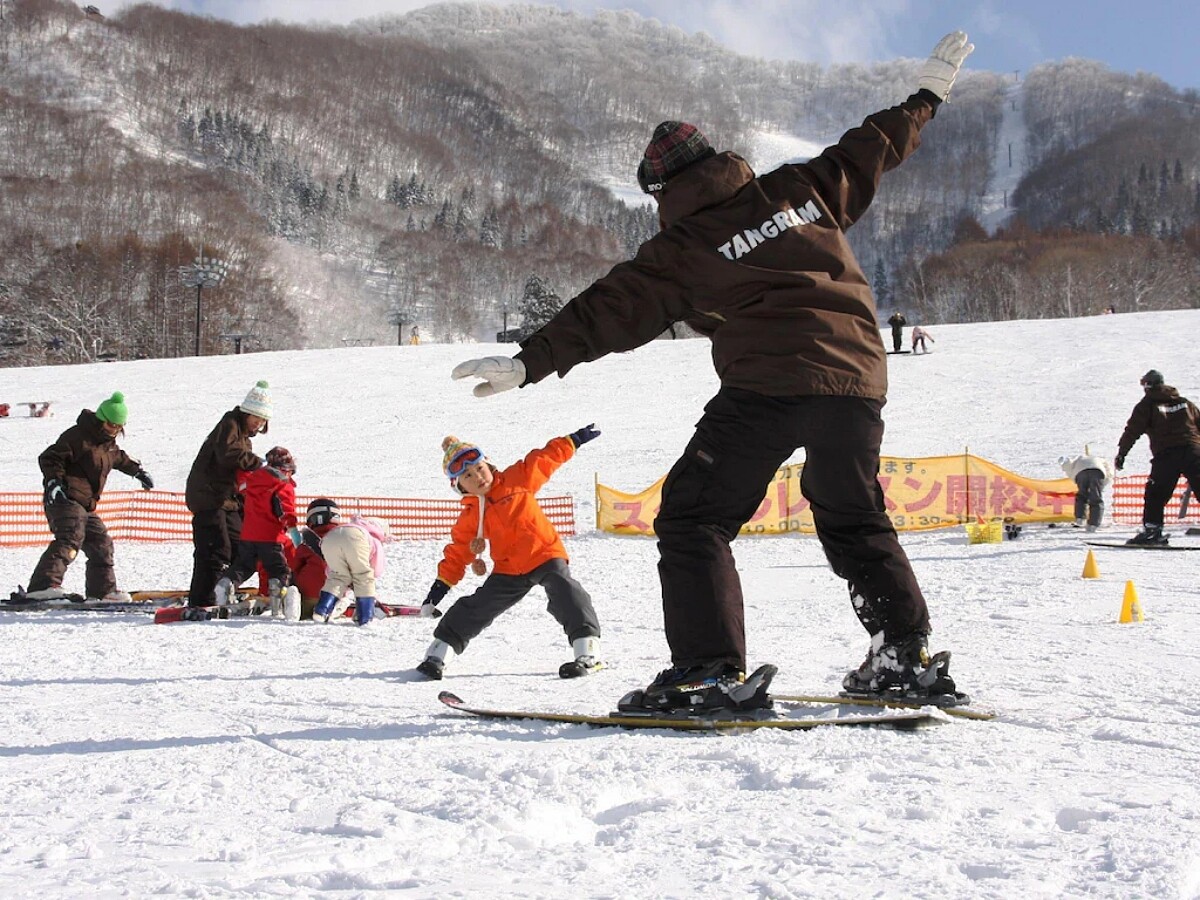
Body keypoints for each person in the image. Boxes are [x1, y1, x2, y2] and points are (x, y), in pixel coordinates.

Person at [449, 32, 975, 714]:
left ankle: (707, 673)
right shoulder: (801, 189)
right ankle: (904, 656)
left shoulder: (682, 247)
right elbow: (874, 144)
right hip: (858, 381)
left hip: (768, 385)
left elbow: (610, 310)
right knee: (853, 515)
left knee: (695, 517)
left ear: (662, 190)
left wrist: (527, 362)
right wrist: (928, 93)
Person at [415, 429, 604, 680]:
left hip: (544, 554)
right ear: (459, 486)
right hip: (508, 569)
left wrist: (572, 441)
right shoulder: (471, 516)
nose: (478, 477)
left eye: (479, 468)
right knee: (476, 607)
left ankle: (587, 652)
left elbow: (543, 460)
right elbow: (458, 553)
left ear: (488, 464)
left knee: (566, 592)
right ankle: (438, 654)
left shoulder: (517, 479)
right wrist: (440, 587)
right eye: (468, 476)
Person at [24, 392, 154, 601]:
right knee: (70, 537)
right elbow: (50, 458)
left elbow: (119, 458)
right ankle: (43, 586)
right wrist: (53, 482)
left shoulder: (108, 445)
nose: (115, 430)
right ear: (101, 419)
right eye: (111, 425)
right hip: (64, 498)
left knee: (101, 543)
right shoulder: (78, 436)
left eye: (119, 427)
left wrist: (137, 471)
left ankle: (102, 591)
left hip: (85, 504)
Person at [185, 380, 269, 607]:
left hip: (228, 500)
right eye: (256, 419)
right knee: (215, 548)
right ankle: (203, 598)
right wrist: (258, 464)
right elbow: (228, 453)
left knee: (243, 547)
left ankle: (221, 588)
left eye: (262, 421)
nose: (258, 425)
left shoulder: (244, 439)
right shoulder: (230, 424)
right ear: (246, 413)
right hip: (208, 496)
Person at [1114, 369, 1200, 545]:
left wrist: (1122, 453)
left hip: (1167, 455)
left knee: (1156, 494)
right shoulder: (1185, 403)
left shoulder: (1147, 405)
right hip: (1194, 451)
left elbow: (1132, 431)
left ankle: (1153, 532)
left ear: (1147, 385)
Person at [213, 446, 300, 616]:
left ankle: (226, 583)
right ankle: (279, 601)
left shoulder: (252, 481)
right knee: (279, 570)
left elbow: (242, 483)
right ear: (285, 469)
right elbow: (285, 510)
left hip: (248, 535)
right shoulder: (283, 486)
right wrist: (294, 532)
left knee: (244, 566)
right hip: (271, 537)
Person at [312, 512, 395, 626]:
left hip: (329, 538)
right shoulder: (373, 538)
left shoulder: (351, 526)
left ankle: (321, 610)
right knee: (364, 576)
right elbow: (376, 568)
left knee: (338, 577)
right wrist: (361, 580)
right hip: (355, 539)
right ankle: (365, 617)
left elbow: (330, 569)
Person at [291, 497, 341, 620]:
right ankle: (335, 609)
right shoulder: (343, 541)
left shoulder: (307, 544)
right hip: (335, 594)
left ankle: (296, 607)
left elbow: (294, 567)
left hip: (309, 595)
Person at [1059, 451, 1113, 532]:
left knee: (1081, 496)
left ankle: (1080, 519)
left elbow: (1068, 466)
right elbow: (1109, 472)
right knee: (1096, 498)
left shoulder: (1078, 459)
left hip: (1080, 472)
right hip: (1097, 471)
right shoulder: (1100, 459)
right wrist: (1101, 485)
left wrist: (1077, 481)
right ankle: (1094, 524)